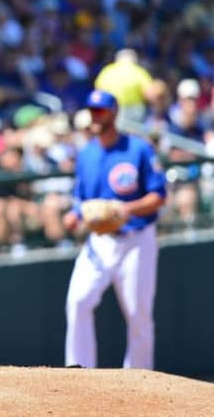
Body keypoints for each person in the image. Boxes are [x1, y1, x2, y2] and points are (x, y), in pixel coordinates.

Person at [63, 90, 166, 369]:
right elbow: (81, 200)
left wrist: (127, 209)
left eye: (101, 110)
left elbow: (159, 196)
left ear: (114, 112)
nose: (95, 116)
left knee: (138, 315)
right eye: (92, 110)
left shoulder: (138, 149)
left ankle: (139, 378)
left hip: (137, 239)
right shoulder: (86, 154)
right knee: (78, 301)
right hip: (100, 241)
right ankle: (78, 369)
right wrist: (74, 216)